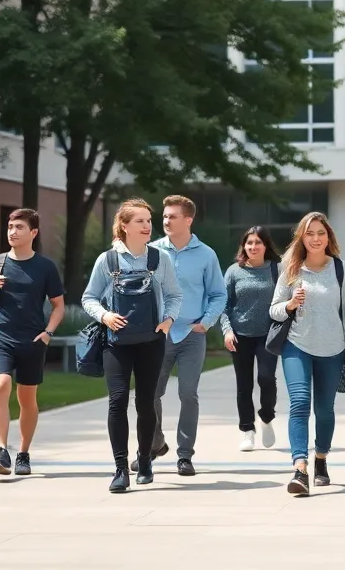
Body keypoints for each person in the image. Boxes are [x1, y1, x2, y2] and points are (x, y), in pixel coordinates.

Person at [82, 199, 182, 493]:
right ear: (124, 226)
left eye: (149, 220)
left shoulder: (160, 259)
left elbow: (175, 295)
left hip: (152, 341)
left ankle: (145, 459)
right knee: (117, 401)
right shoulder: (108, 260)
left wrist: (168, 321)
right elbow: (88, 298)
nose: (147, 225)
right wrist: (105, 316)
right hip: (116, 343)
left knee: (146, 402)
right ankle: (120, 468)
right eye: (140, 221)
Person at [129, 195, 226, 478]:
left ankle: (185, 455)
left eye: (172, 216)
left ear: (188, 220)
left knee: (188, 394)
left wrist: (206, 323)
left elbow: (218, 294)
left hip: (192, 335)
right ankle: (154, 444)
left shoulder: (206, 255)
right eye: (164, 216)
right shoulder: (152, 251)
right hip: (158, 336)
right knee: (150, 394)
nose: (166, 221)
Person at [268, 212, 345, 495]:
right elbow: (274, 310)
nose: (315, 238)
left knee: (324, 410)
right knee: (299, 403)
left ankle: (321, 457)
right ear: (302, 238)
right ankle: (300, 468)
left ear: (328, 237)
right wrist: (290, 304)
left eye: (321, 233)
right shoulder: (291, 270)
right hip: (296, 345)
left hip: (332, 349)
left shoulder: (341, 269)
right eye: (309, 233)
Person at [0, 208, 65, 476]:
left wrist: (48, 333)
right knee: (0, 386)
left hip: (32, 340)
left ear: (33, 232)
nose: (12, 232)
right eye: (10, 227)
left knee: (27, 399)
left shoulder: (45, 267)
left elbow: (58, 306)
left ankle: (23, 453)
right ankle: (1, 451)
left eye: (19, 227)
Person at [221, 225, 282, 452]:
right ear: (243, 246)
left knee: (267, 379)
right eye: (249, 243)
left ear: (266, 245)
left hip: (268, 335)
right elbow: (224, 305)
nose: (253, 247)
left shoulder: (277, 269)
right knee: (243, 385)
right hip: (239, 336)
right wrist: (227, 330)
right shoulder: (233, 272)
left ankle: (266, 417)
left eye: (258, 242)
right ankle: (247, 430)